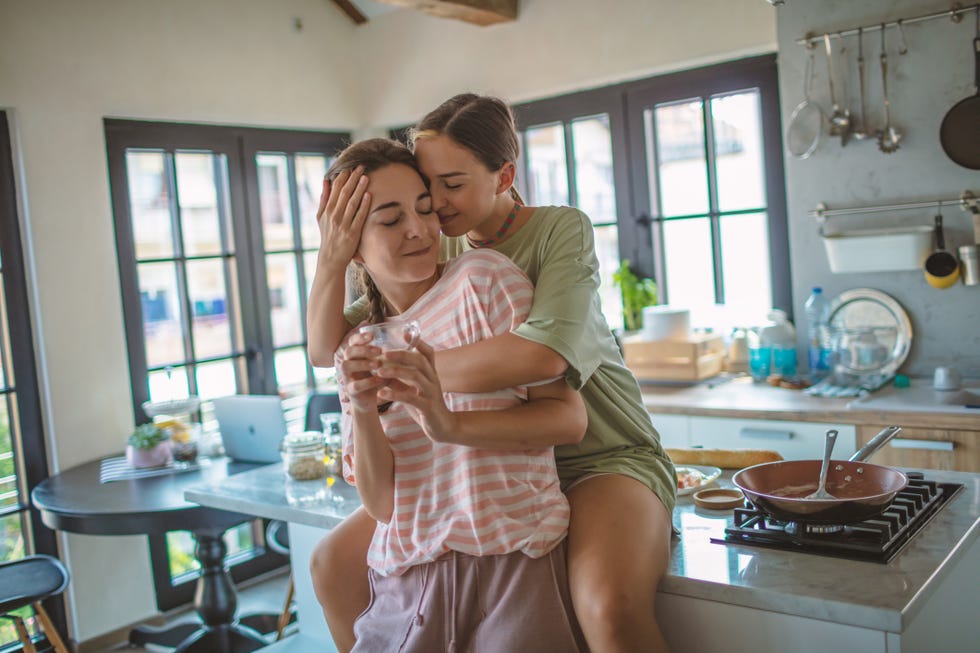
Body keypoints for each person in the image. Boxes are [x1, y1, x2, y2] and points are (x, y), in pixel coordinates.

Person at [308, 94, 677, 653]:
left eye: (449, 185)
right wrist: (333, 256)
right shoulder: (434, 241)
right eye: (426, 187)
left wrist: (405, 379)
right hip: (489, 460)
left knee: (609, 607)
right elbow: (330, 347)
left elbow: (541, 359)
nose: (432, 205)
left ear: (504, 174)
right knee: (332, 563)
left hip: (597, 454)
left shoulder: (554, 233)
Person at [326, 137, 588, 652]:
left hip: (513, 556)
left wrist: (446, 422)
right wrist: (361, 408)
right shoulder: (354, 347)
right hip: (405, 579)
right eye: (391, 219)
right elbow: (381, 505)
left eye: (424, 209)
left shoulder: (484, 281)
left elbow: (564, 415)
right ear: (350, 242)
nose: (420, 230)